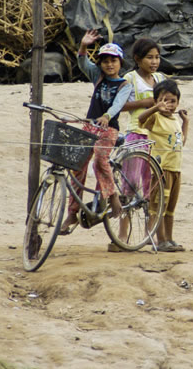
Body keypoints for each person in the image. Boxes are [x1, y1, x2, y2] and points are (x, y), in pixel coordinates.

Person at [59, 29, 129, 238]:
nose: (109, 64)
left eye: (113, 61)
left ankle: (112, 195)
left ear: (120, 63)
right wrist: (83, 45)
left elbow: (118, 104)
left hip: (109, 128)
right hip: (90, 125)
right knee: (77, 164)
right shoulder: (97, 77)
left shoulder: (124, 84)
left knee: (100, 160)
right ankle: (72, 212)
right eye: (105, 61)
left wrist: (107, 116)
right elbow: (82, 63)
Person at [111, 37, 167, 251]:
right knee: (131, 184)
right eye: (149, 57)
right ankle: (122, 235)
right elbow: (121, 105)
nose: (154, 62)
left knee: (152, 186)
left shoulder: (160, 78)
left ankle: (149, 234)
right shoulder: (130, 78)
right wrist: (144, 103)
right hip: (136, 134)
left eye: (157, 57)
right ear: (138, 59)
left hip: (156, 135)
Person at [139, 79, 190, 253]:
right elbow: (140, 119)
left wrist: (186, 123)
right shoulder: (156, 117)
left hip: (176, 170)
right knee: (159, 205)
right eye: (164, 100)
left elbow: (181, 141)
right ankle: (161, 240)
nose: (169, 105)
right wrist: (155, 108)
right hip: (161, 170)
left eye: (173, 101)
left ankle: (169, 238)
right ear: (156, 101)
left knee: (170, 208)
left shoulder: (174, 120)